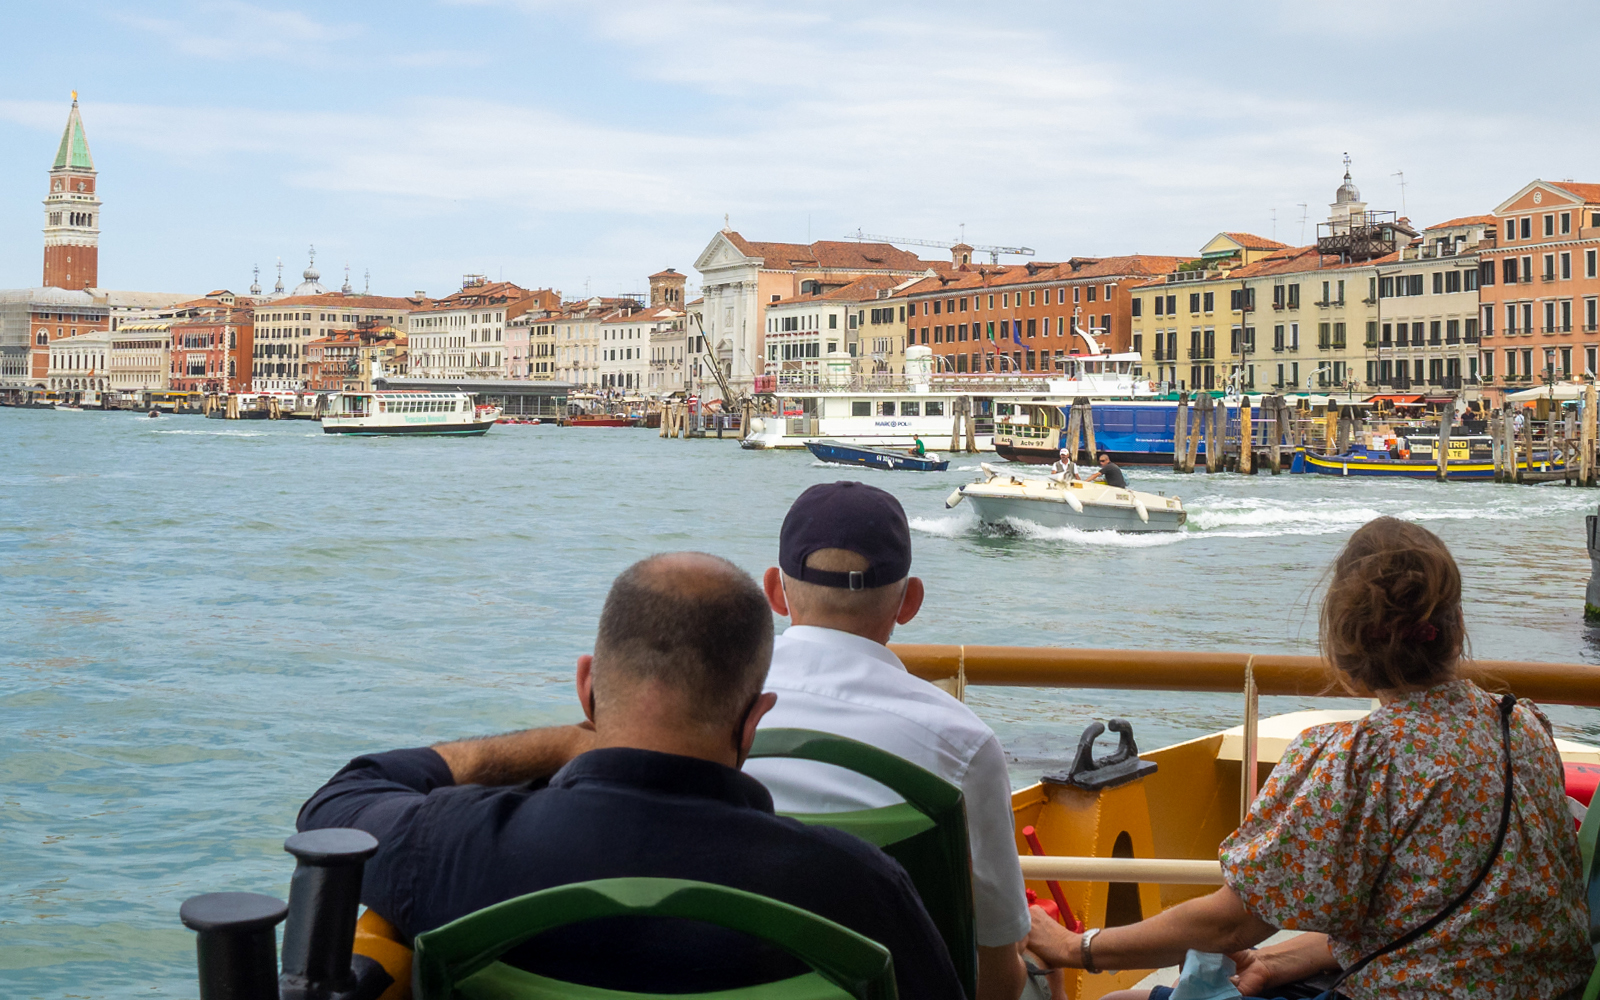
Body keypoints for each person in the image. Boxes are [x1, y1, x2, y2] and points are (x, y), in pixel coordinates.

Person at [298, 552, 962, 999]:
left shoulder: (454, 848)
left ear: (587, 689)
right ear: (754, 720)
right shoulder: (860, 889)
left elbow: (339, 804)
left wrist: (549, 746)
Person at [1022, 517, 1591, 1000]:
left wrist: (1076, 948)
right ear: (1453, 628)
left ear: (1343, 646)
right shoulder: (1521, 725)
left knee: (1130, 997)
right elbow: (1443, 913)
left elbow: (1230, 923)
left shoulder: (1361, 760)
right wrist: (1281, 961)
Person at [745, 482, 1032, 1000]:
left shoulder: (719, 712)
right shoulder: (963, 744)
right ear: (910, 602)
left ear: (773, 590)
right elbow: (994, 978)